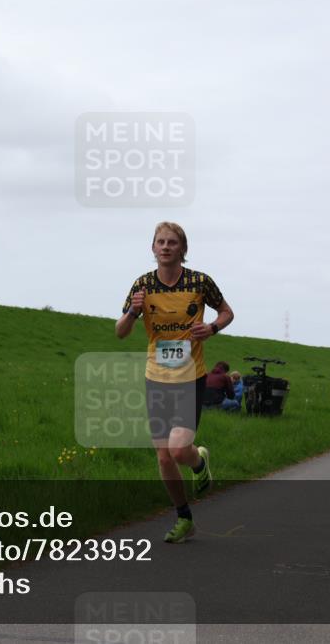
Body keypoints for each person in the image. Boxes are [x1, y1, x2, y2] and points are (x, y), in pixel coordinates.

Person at [117, 222, 234, 543]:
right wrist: (132, 313)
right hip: (155, 377)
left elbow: (226, 312)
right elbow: (121, 331)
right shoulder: (142, 286)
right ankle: (184, 518)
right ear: (153, 248)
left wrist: (212, 328)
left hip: (189, 376)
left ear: (182, 249)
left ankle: (199, 461)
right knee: (163, 456)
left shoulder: (199, 281)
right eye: (160, 242)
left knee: (180, 450)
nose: (165, 247)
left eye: (172, 242)